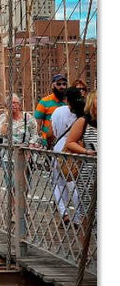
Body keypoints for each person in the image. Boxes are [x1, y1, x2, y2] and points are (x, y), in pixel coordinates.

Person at [51, 91, 88, 224]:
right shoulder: (84, 114)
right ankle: (79, 216)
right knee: (76, 184)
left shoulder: (58, 111)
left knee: (58, 183)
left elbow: (54, 131)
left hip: (59, 149)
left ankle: (64, 212)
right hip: (76, 150)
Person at [60, 91, 97, 224]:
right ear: (92, 103)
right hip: (89, 173)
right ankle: (87, 243)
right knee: (88, 213)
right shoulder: (84, 121)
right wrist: (86, 151)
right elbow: (70, 142)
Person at [35, 74, 68, 148]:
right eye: (58, 84)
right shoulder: (44, 102)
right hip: (47, 143)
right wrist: (37, 141)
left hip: (66, 142)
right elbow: (37, 124)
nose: (62, 86)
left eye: (64, 84)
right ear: (53, 86)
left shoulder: (70, 102)